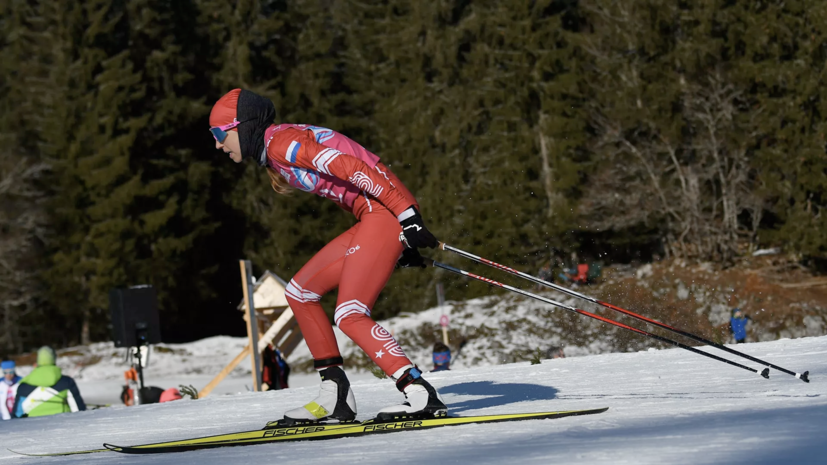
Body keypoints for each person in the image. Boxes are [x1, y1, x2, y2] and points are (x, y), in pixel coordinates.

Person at [209, 89, 446, 423]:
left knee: (349, 313)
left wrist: (406, 215)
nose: (218, 144)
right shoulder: (275, 151)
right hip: (373, 214)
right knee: (299, 292)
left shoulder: (282, 144)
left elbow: (351, 166)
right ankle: (335, 396)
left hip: (384, 208)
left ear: (243, 126)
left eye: (220, 134)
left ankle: (419, 392)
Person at [12, 346, 86, 418]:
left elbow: (16, 417)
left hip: (32, 429)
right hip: (64, 427)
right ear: (54, 359)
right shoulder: (67, 382)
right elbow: (80, 412)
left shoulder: (23, 387)